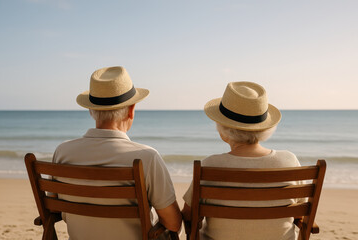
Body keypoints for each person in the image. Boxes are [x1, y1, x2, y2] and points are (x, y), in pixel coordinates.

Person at [53, 66, 182, 240]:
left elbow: (54, 209)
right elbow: (173, 223)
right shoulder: (147, 157)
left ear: (91, 111)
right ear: (131, 110)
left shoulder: (63, 152)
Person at [182, 81, 304, 240]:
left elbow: (188, 216)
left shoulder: (209, 166)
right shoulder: (289, 160)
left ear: (223, 128)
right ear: (264, 126)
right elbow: (300, 211)